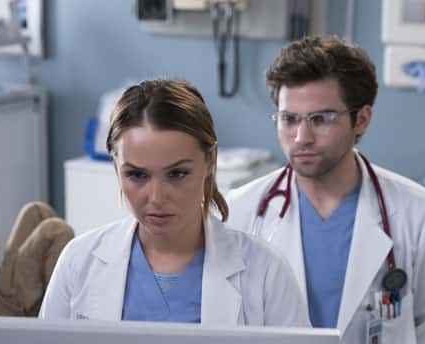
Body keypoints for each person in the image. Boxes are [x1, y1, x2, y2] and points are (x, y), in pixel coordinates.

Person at [226, 35, 425, 344]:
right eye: (289, 119)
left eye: (321, 119)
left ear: (362, 119)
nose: (302, 138)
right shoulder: (239, 213)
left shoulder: (420, 215)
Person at [39, 79, 309, 328]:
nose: (156, 198)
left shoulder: (266, 272)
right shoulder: (78, 262)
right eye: (137, 175)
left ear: (210, 161)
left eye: (177, 174)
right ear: (115, 166)